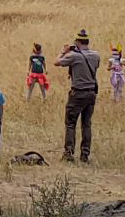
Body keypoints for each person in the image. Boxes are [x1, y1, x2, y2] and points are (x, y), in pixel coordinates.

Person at [54, 28, 100, 163]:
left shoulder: (74, 56)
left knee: (70, 124)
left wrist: (63, 51)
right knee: (86, 125)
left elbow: (57, 62)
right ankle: (85, 155)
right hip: (91, 93)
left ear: (78, 42)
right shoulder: (96, 55)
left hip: (78, 93)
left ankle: (68, 154)